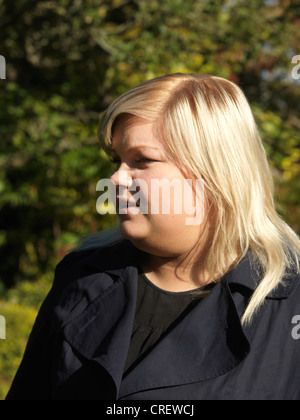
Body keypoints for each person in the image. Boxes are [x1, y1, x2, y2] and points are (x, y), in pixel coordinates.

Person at [6, 73, 300, 400]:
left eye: (142, 160)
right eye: (117, 160)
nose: (116, 179)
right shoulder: (82, 276)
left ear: (215, 172)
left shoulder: (288, 302)